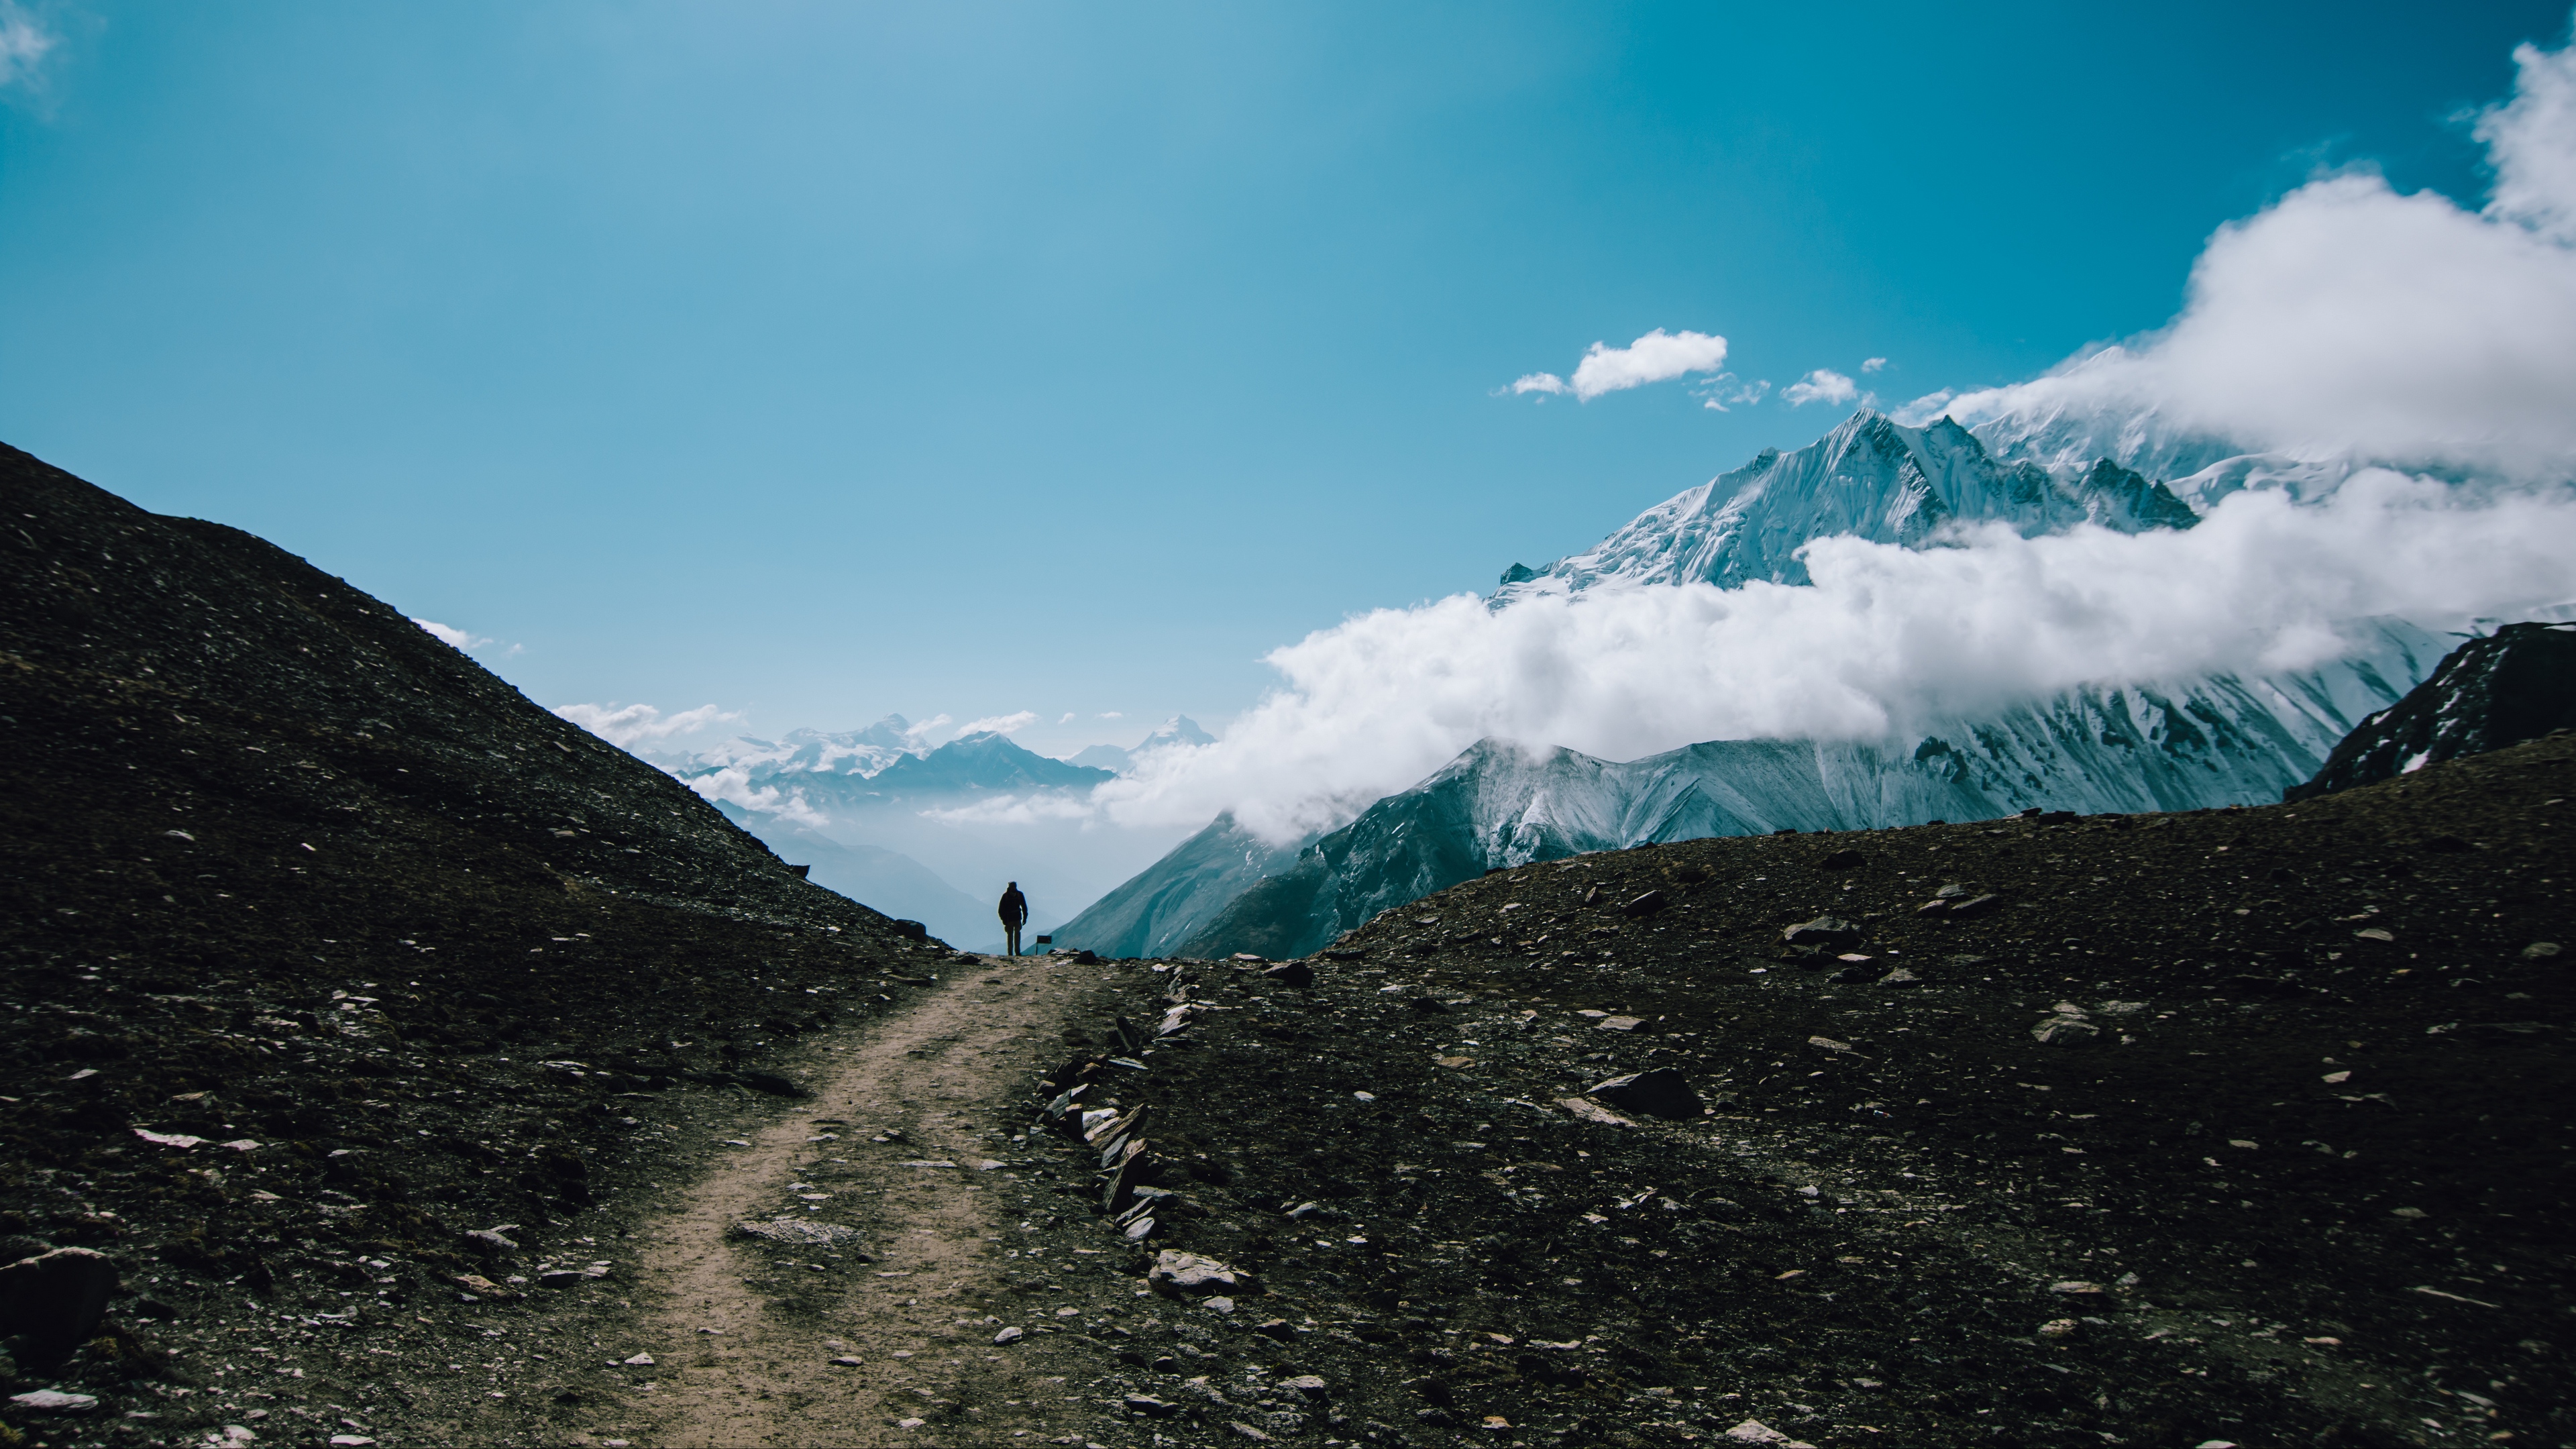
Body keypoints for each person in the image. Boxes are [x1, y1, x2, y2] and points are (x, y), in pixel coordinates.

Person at [997, 881, 1028, 957]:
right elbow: (1001, 910)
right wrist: (1004, 920)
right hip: (1011, 919)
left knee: (1014, 935)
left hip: (1014, 919)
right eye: (1013, 886)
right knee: (1012, 935)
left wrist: (1025, 917)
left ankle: (1015, 952)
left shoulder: (1008, 896)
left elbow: (1024, 907)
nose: (1014, 888)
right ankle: (1012, 953)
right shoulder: (1017, 895)